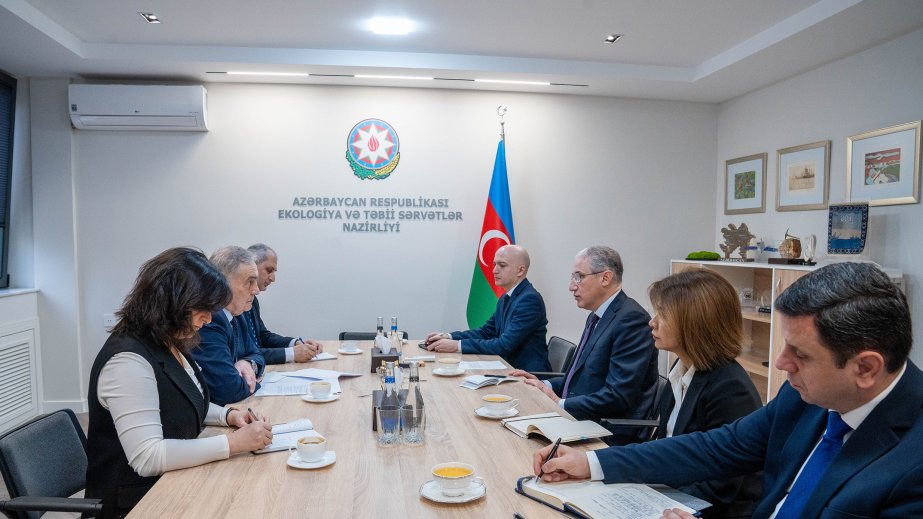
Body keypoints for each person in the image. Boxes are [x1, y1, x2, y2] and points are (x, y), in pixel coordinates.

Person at [533, 262, 923, 519]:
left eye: (800, 354)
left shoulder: (914, 467)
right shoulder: (805, 397)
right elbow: (715, 447)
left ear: (866, 368)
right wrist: (591, 464)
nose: (782, 363)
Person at [86, 248, 273, 518]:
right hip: (138, 504)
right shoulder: (127, 361)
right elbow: (147, 456)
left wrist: (230, 415)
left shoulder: (167, 340)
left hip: (172, 485)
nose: (209, 319)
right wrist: (232, 444)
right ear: (175, 302)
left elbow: (182, 398)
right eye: (204, 309)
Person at [511, 246, 659, 444]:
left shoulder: (631, 319)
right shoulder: (597, 315)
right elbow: (581, 378)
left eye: (579, 277)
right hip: (583, 418)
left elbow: (618, 396)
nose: (572, 286)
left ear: (605, 278)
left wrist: (559, 403)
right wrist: (542, 385)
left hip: (607, 431)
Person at [646, 269, 762, 518]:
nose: (652, 322)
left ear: (694, 323)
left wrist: (656, 502)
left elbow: (722, 487)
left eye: (662, 315)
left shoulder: (730, 388)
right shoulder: (681, 368)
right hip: (671, 493)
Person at [424, 244, 551, 371]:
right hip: (507, 368)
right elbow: (486, 331)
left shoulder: (529, 300)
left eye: (502, 265)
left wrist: (457, 346)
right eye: (494, 264)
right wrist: (449, 337)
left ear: (520, 270)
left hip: (528, 375)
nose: (494, 270)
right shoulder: (506, 297)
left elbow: (505, 345)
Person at [192, 246, 266, 405]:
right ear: (222, 283)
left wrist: (246, 363)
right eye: (249, 282)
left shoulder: (236, 314)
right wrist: (251, 380)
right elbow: (228, 390)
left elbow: (257, 353)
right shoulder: (209, 321)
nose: (256, 290)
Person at [244, 243, 323, 364]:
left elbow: (263, 337)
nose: (273, 278)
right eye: (269, 270)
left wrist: (296, 343)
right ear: (252, 266)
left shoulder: (252, 300)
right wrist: (292, 354)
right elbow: (244, 353)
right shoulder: (231, 305)